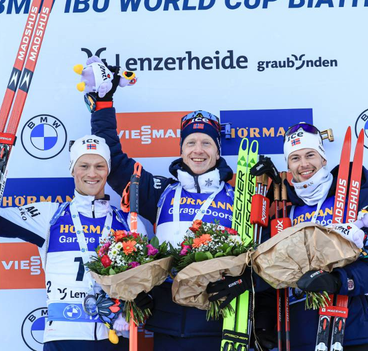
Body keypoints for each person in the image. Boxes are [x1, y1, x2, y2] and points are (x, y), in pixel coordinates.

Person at [86, 70, 252, 350]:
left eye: (206, 143)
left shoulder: (238, 197)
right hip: (165, 324)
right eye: (191, 142)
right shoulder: (161, 191)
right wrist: (103, 104)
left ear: (218, 151)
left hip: (219, 324)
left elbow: (258, 255)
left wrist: (241, 286)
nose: (198, 150)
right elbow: (112, 159)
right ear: (181, 148)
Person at [0, 135, 147, 351]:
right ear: (72, 169)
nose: (92, 173)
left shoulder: (129, 222)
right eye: (83, 165)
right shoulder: (51, 214)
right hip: (62, 339)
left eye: (99, 166)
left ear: (108, 170)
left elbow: (144, 282)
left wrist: (143, 301)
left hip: (113, 338)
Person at [273, 122, 368, 351]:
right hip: (301, 333)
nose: (304, 164)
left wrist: (340, 280)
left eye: (310, 155)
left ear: (323, 158)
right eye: (295, 158)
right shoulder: (284, 210)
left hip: (353, 328)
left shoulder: (356, 196)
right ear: (288, 165)